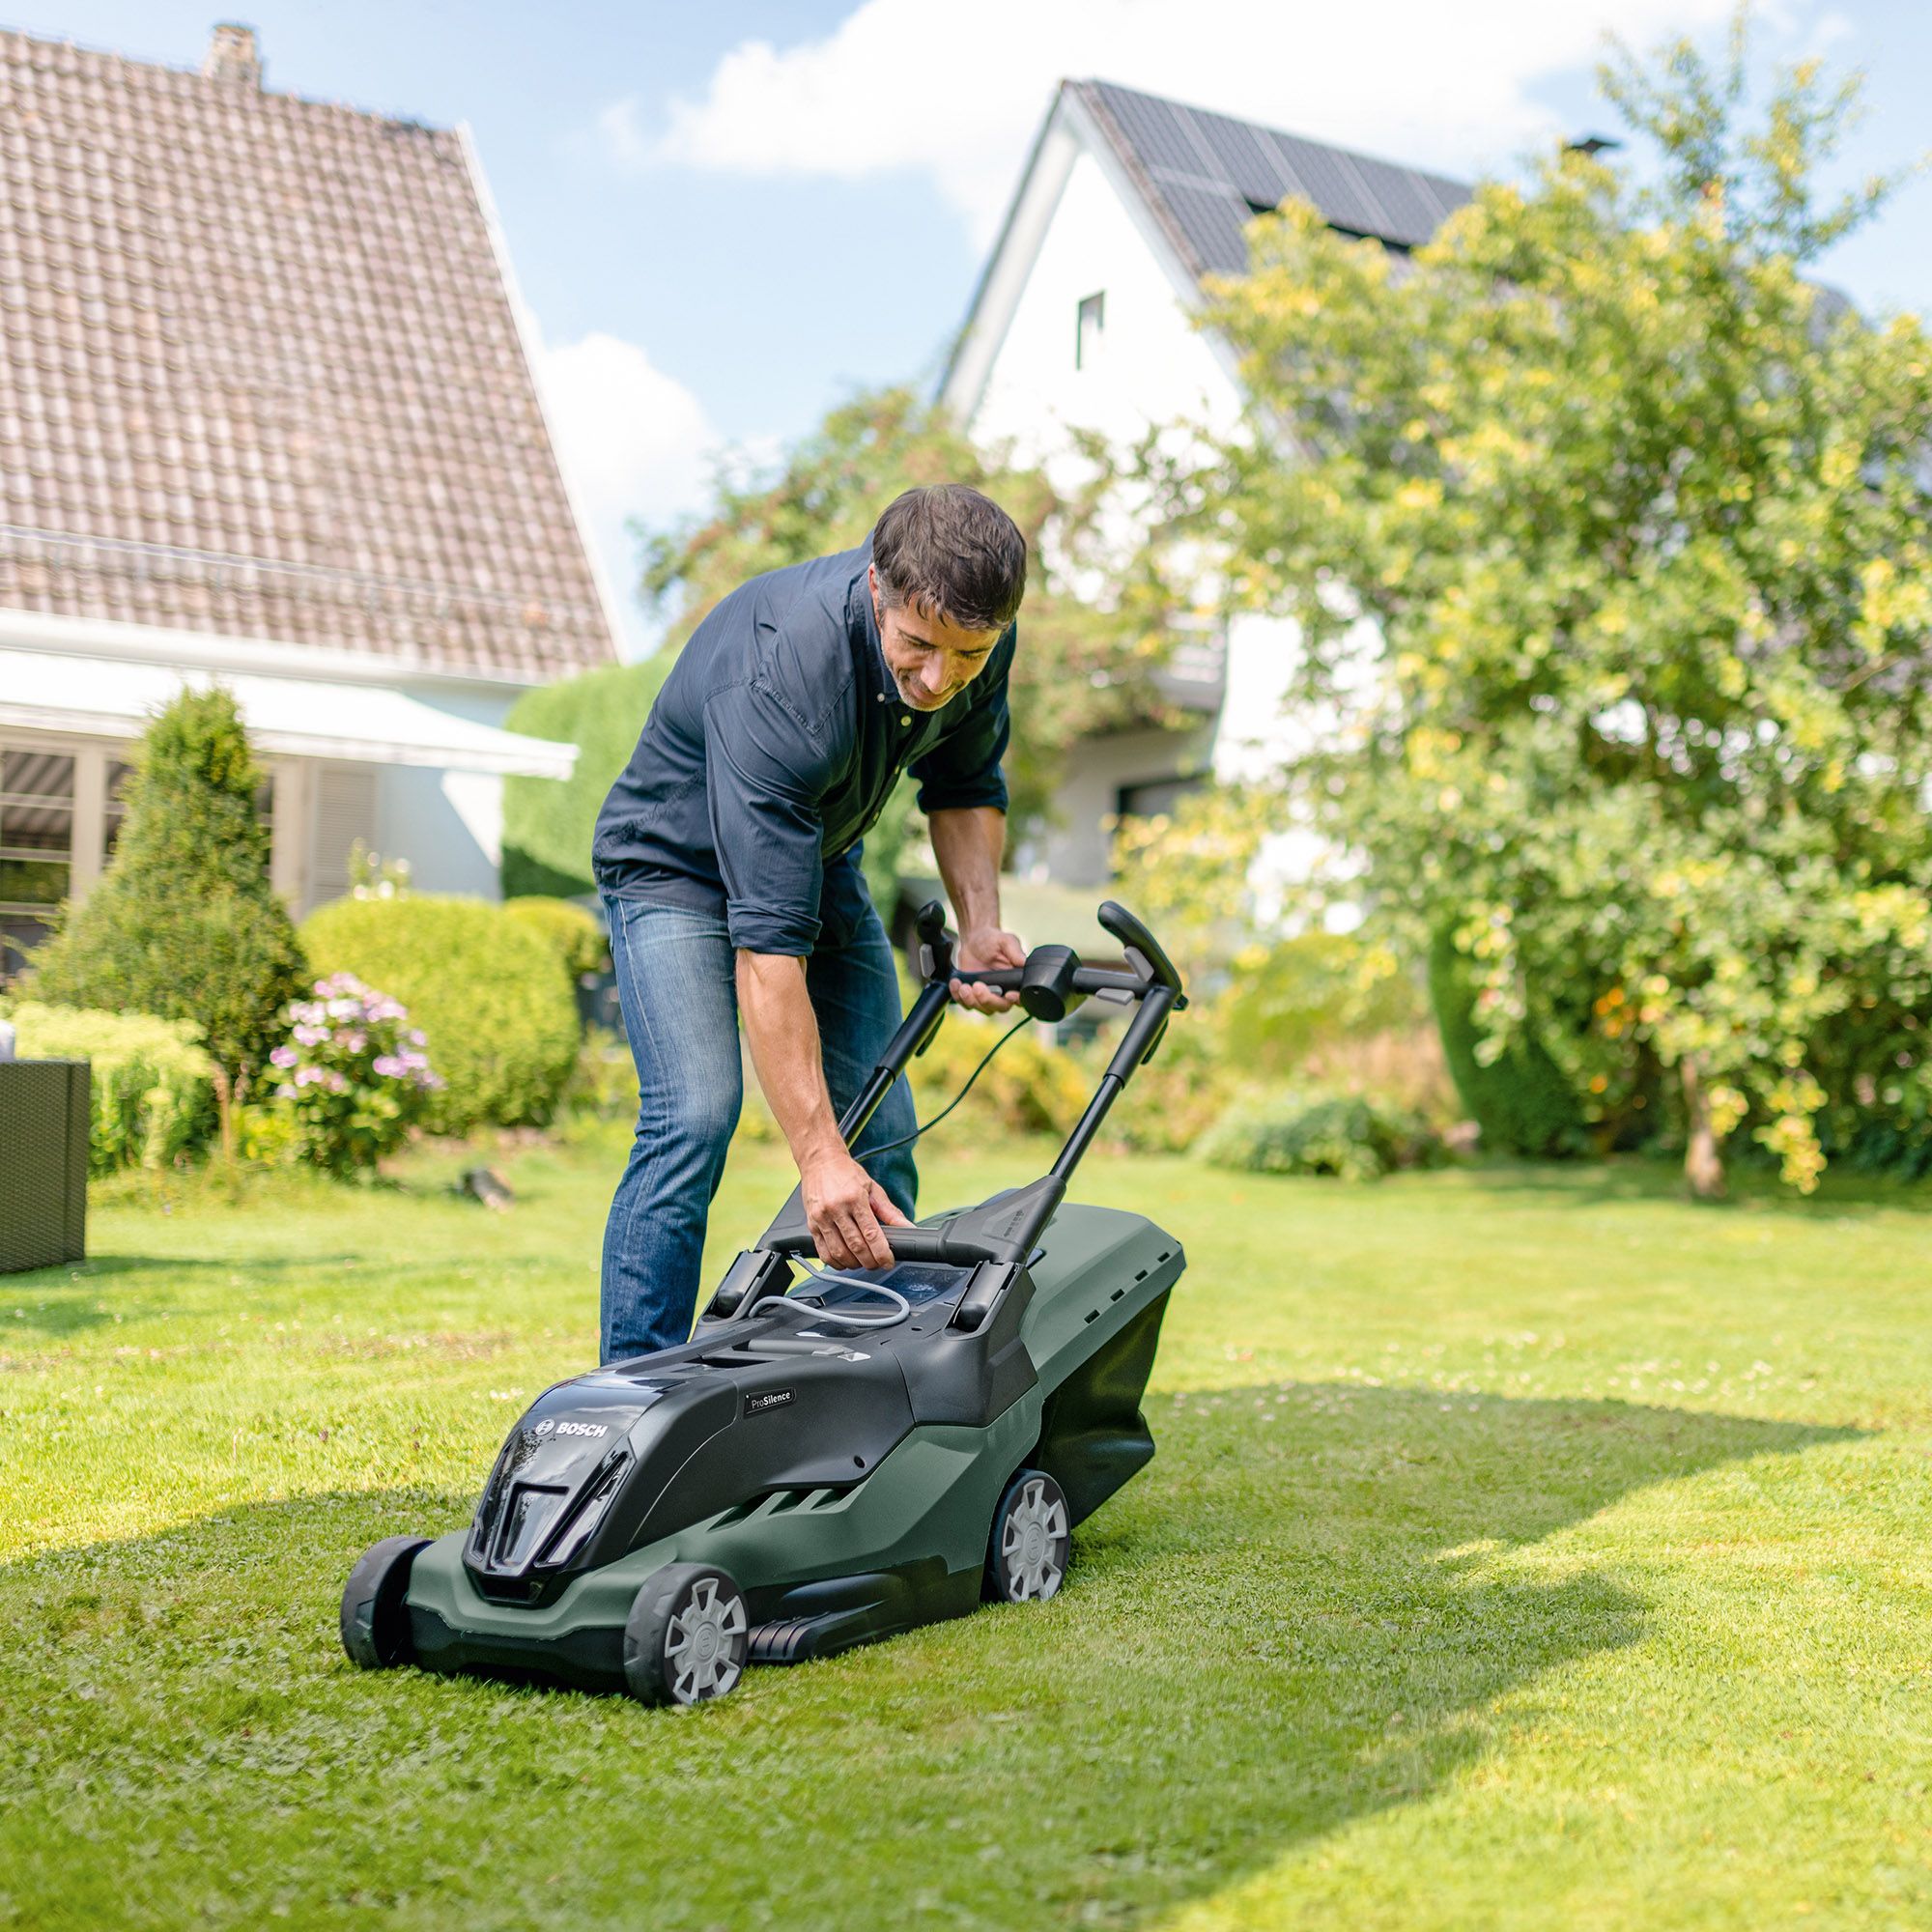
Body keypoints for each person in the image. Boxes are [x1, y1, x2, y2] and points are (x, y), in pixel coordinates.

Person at [591, 484, 1030, 1361]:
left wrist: (981, 927)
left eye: (967, 655)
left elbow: (966, 786)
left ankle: (857, 1372)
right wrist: (816, 1156)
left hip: (816, 855)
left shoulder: (975, 629)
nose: (939, 681)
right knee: (694, 1116)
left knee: (881, 1120)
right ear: (877, 588)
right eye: (917, 646)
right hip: (672, 868)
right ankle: (630, 1396)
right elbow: (769, 954)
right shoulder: (786, 671)